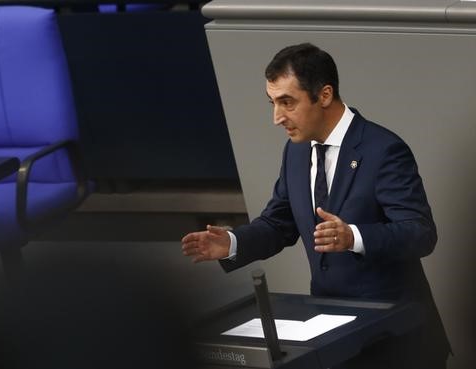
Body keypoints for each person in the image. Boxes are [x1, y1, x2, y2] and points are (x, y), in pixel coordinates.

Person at [181, 43, 450, 368]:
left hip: (396, 339)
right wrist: (232, 242)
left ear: (324, 95)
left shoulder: (384, 150)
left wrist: (353, 237)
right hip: (335, 339)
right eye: (273, 103)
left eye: (287, 103)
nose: (277, 118)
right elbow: (278, 224)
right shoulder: (295, 152)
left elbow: (419, 233)